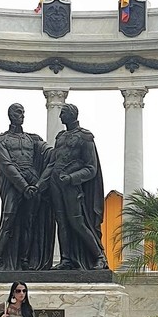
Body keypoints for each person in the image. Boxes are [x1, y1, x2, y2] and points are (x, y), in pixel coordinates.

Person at [39, 102, 108, 270]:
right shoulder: (60, 137)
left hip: (72, 187)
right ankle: (66, 259)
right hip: (56, 184)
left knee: (77, 222)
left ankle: (99, 257)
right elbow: (53, 163)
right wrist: (40, 184)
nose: (60, 116)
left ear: (71, 115)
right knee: (61, 223)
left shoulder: (85, 137)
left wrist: (71, 178)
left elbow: (91, 168)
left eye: (63, 113)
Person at [0, 104, 54, 271]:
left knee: (30, 221)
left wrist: (65, 146)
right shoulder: (1, 139)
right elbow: (7, 164)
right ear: (10, 115)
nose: (21, 115)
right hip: (14, 182)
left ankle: (26, 259)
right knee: (8, 218)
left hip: (33, 179)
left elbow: (50, 153)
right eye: (18, 112)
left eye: (23, 112)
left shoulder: (33, 138)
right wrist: (24, 187)